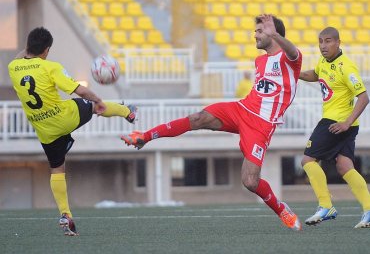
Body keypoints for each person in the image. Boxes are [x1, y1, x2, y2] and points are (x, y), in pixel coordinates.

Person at [122, 14, 303, 231]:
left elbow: (294, 52)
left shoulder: (289, 58)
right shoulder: (260, 60)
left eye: (259, 31)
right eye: (256, 31)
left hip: (262, 124)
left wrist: (274, 34)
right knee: (198, 118)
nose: (254, 34)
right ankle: (145, 136)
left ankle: (281, 208)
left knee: (250, 182)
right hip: (241, 109)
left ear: (274, 33)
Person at [8, 27, 137, 236]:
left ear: (27, 46)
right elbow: (79, 89)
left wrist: (28, 48)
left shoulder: (13, 67)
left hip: (43, 129)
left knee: (57, 169)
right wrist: (98, 100)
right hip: (64, 117)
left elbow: (19, 56)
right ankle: (127, 112)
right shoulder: (51, 67)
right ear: (47, 50)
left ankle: (65, 214)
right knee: (93, 105)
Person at [299, 27, 370, 228]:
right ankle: (369, 209)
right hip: (346, 125)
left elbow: (364, 98)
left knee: (307, 160)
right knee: (345, 166)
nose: (323, 46)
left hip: (335, 123)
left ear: (338, 42)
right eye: (320, 41)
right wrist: (299, 74)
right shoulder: (323, 62)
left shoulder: (346, 67)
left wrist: (346, 123)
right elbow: (317, 74)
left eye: (328, 41)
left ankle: (326, 205)